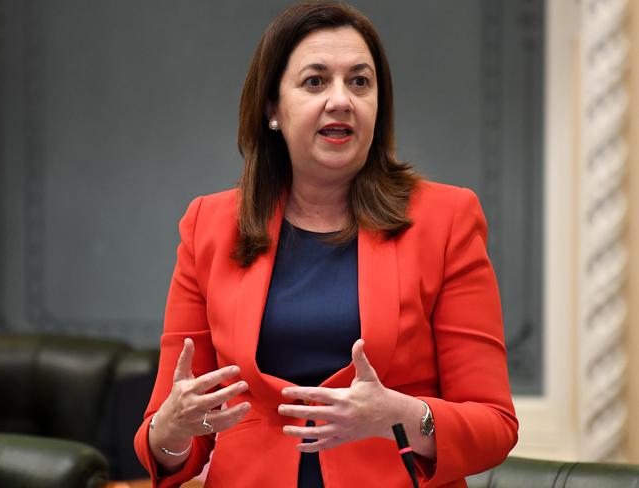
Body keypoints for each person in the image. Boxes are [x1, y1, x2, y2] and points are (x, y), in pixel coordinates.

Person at [134, 2, 518, 487]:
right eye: (315, 81)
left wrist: (402, 415)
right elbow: (163, 443)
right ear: (272, 107)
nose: (341, 100)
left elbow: (494, 425)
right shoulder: (208, 225)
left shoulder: (446, 219)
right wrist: (175, 428)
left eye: (359, 82)